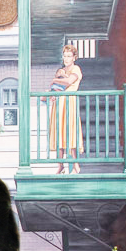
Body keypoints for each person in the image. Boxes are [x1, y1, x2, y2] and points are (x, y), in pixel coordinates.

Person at [47, 44, 84, 174]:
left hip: (69, 103)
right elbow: (57, 87)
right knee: (59, 132)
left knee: (70, 132)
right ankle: (60, 165)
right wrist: (53, 90)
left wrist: (55, 79)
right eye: (65, 56)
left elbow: (69, 82)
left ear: (74, 57)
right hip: (59, 103)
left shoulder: (76, 69)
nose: (66, 58)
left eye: (69, 56)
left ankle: (75, 165)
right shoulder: (60, 70)